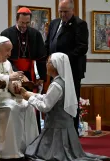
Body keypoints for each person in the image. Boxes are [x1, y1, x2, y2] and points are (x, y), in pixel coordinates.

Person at [19, 52, 110, 161]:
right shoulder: (64, 82)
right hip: (65, 126)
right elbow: (49, 98)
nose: (46, 65)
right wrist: (30, 94)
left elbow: (45, 107)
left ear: (55, 65)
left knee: (31, 153)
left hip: (57, 129)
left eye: (48, 62)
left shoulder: (56, 85)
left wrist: (29, 98)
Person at [0, 7, 47, 133]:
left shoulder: (35, 34)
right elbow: (5, 58)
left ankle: (33, 132)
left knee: (31, 102)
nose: (24, 26)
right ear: (17, 20)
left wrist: (41, 77)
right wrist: (18, 74)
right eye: (22, 23)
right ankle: (15, 132)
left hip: (30, 73)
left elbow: (42, 57)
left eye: (27, 23)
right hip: (11, 71)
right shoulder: (6, 33)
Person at [45, 0, 89, 135]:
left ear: (72, 10)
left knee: (71, 101)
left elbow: (82, 48)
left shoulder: (80, 24)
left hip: (72, 70)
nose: (63, 14)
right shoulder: (54, 23)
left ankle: (72, 133)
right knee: (56, 101)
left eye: (66, 12)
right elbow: (48, 43)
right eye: (60, 11)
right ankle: (56, 132)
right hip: (55, 71)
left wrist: (61, 61)